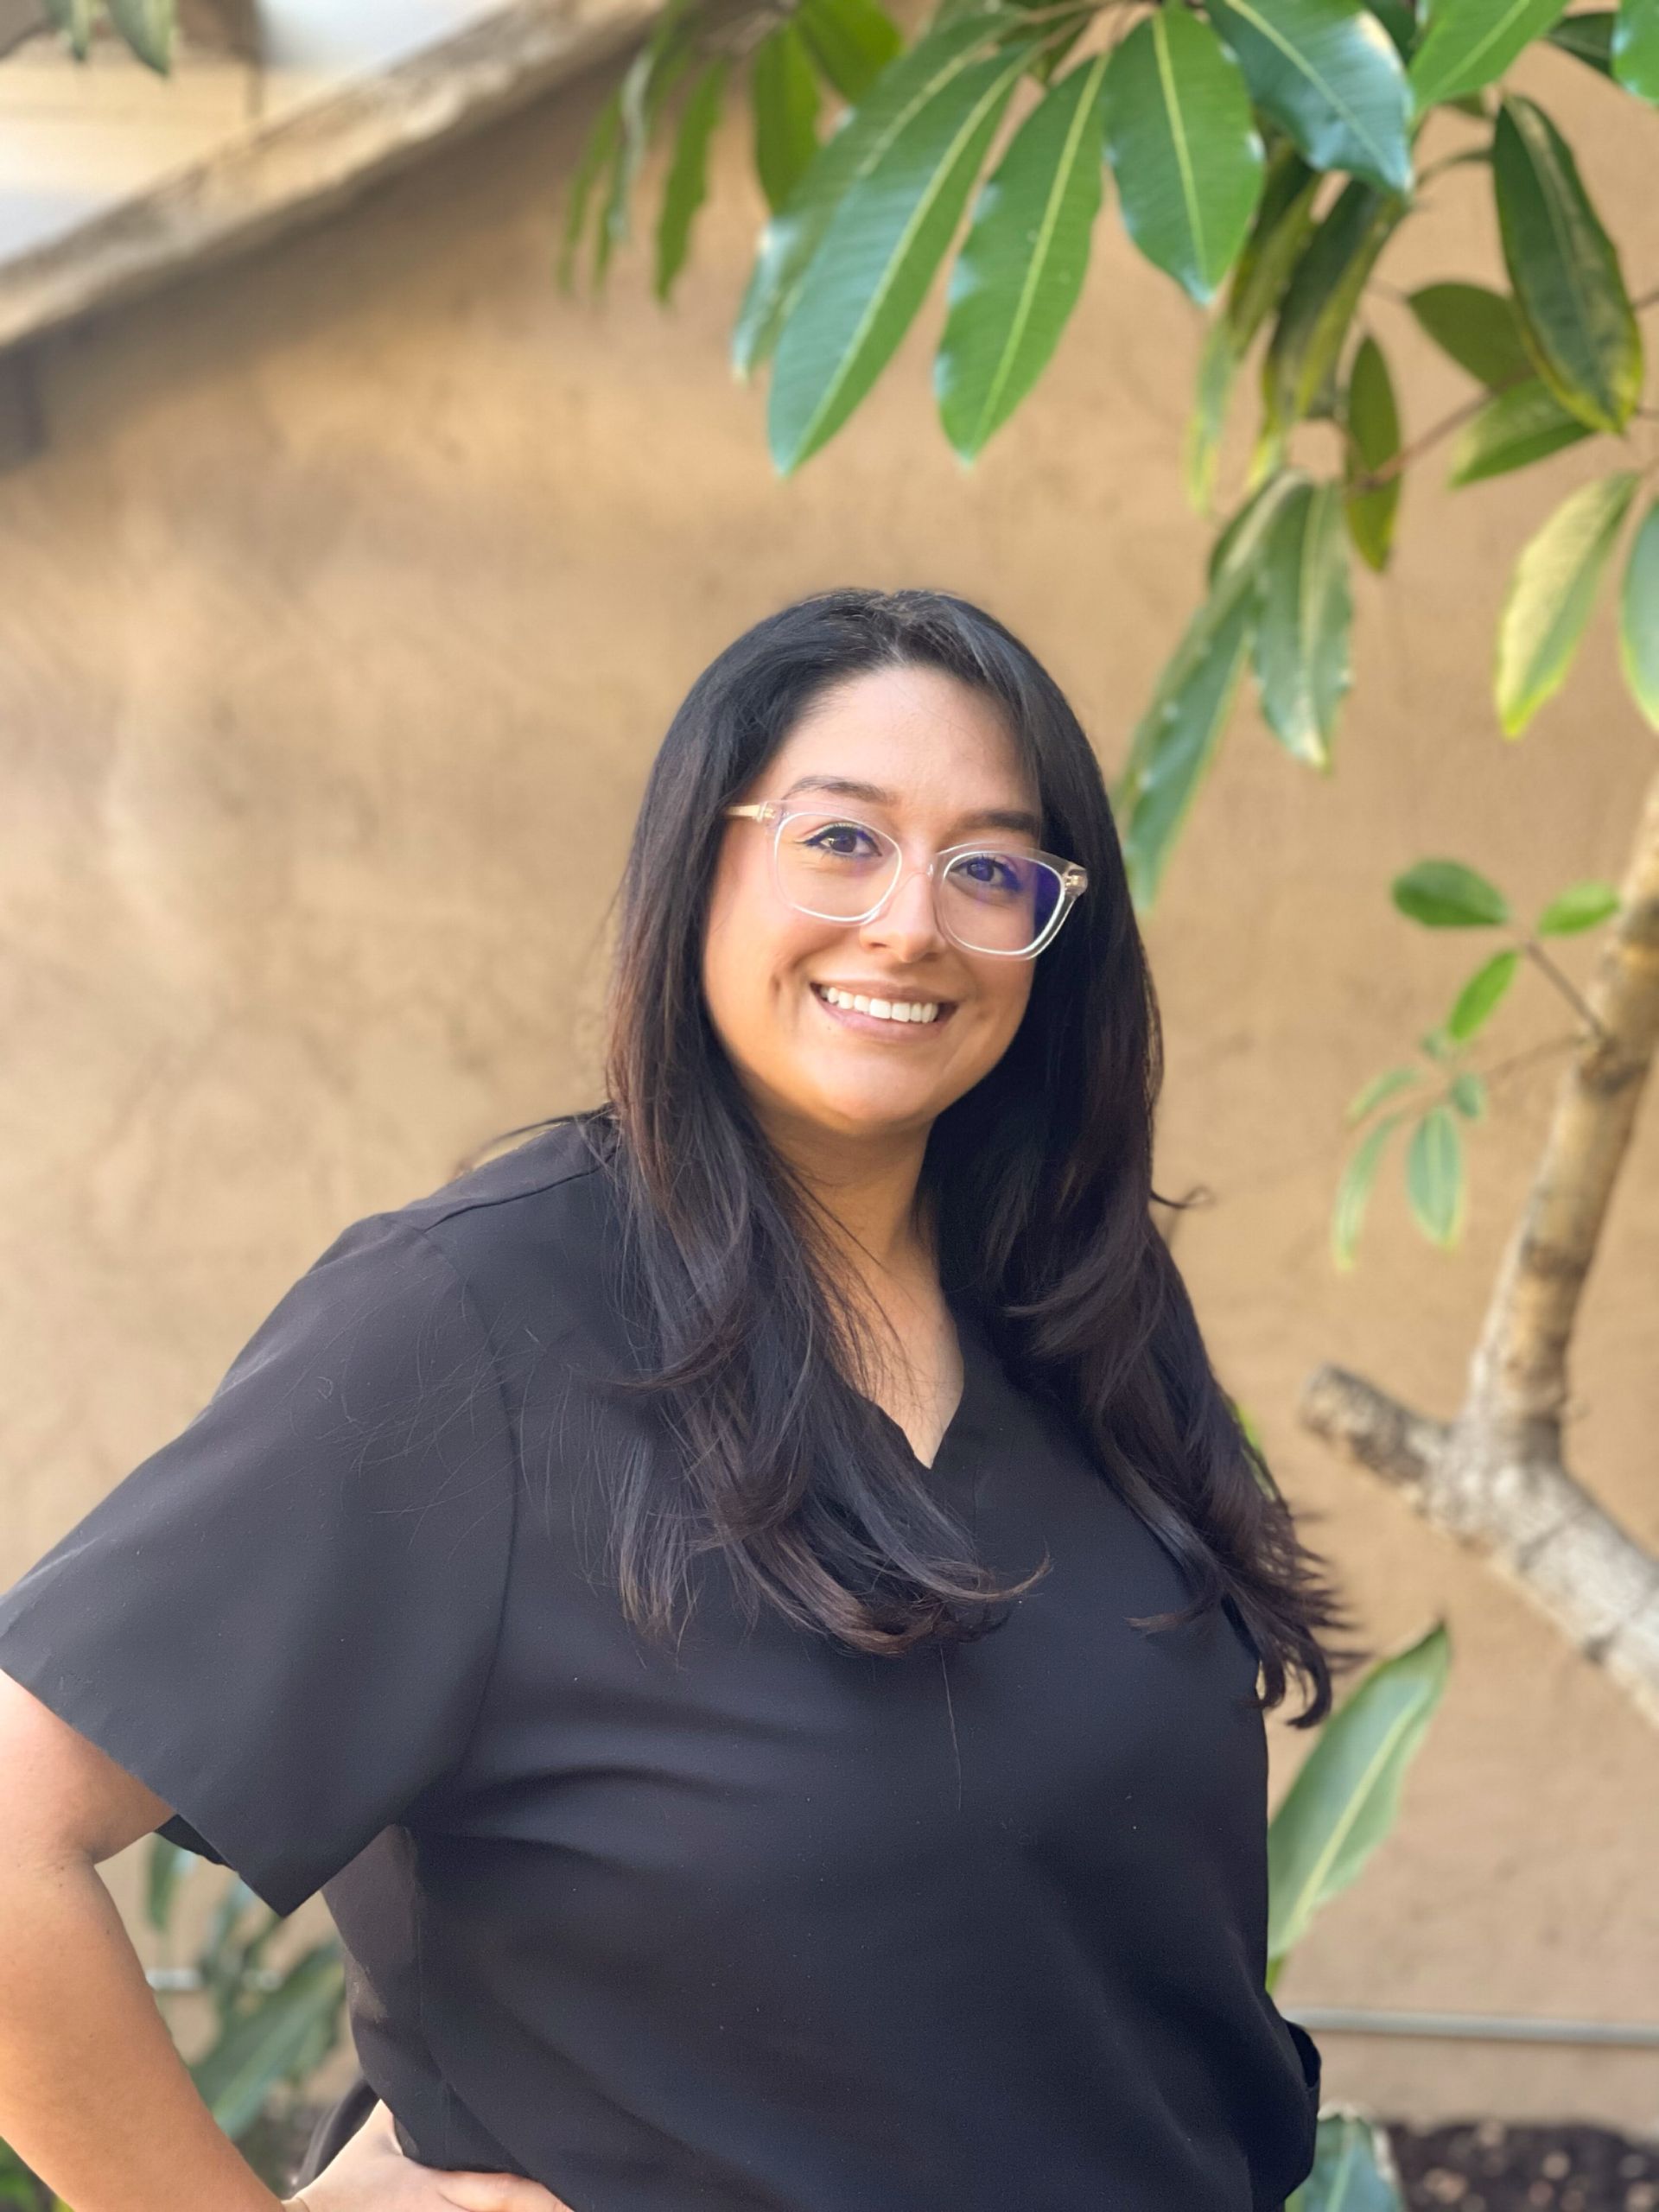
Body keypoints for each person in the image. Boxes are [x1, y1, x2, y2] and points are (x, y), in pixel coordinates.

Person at [0, 587, 1355, 2212]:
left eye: (992, 868)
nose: (914, 923)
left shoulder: (1079, 1306)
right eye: (840, 842)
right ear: (697, 866)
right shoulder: (474, 1326)